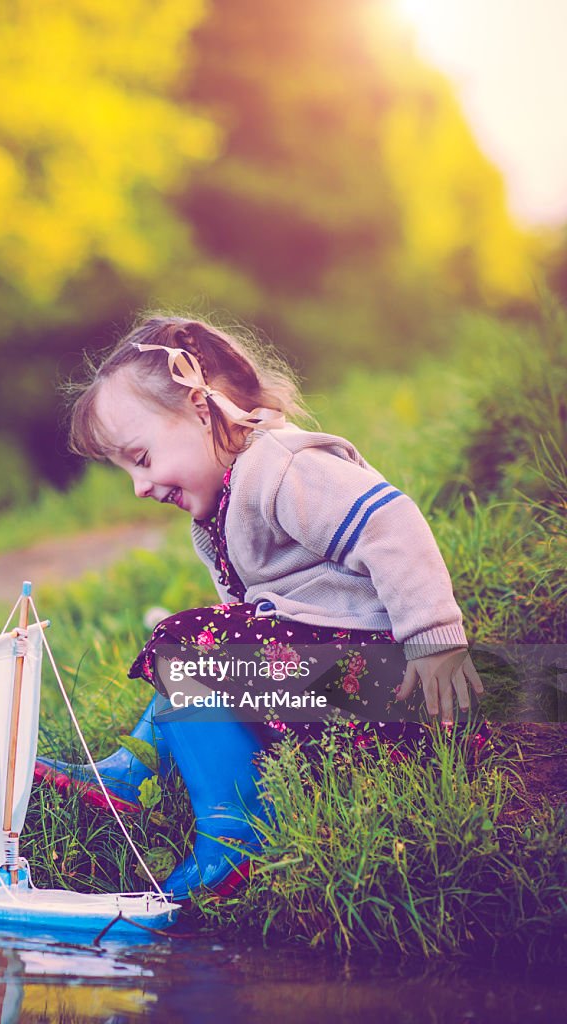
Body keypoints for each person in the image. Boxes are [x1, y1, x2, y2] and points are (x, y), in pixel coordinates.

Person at [35, 315, 486, 900]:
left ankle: (237, 833)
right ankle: (139, 767)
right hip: (336, 691)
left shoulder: (281, 467)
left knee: (189, 648)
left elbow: (389, 523)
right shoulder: (219, 510)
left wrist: (436, 640)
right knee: (200, 655)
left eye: (141, 458)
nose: (139, 487)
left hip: (392, 695)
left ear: (202, 409)